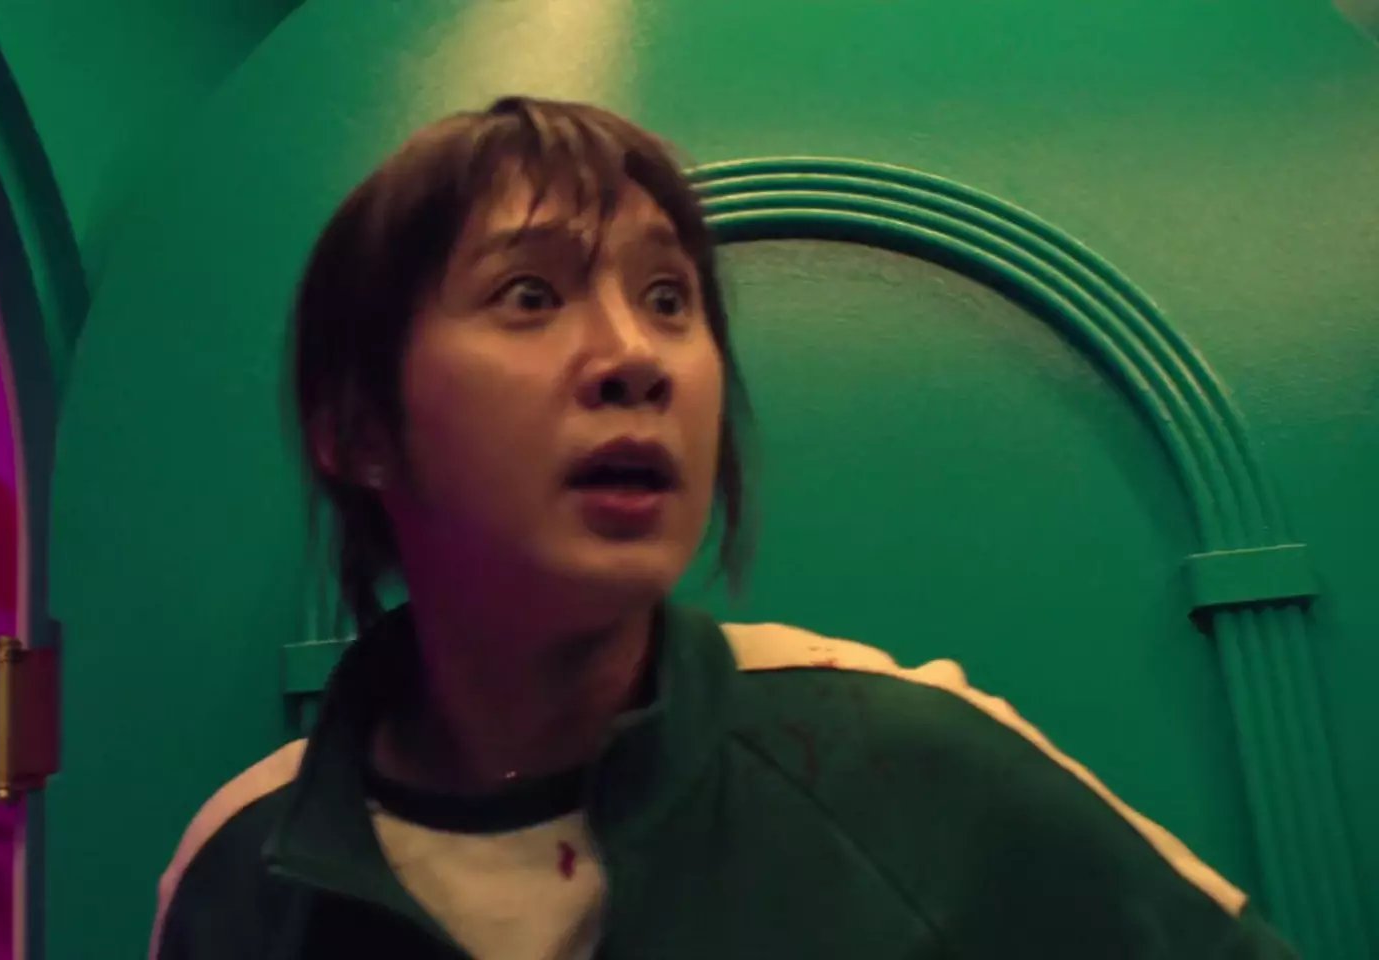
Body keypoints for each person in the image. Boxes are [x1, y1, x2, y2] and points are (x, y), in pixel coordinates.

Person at [148, 96, 1296, 959]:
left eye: (668, 299)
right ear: (358, 429)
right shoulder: (240, 871)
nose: (634, 358)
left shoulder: (914, 764)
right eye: (530, 295)